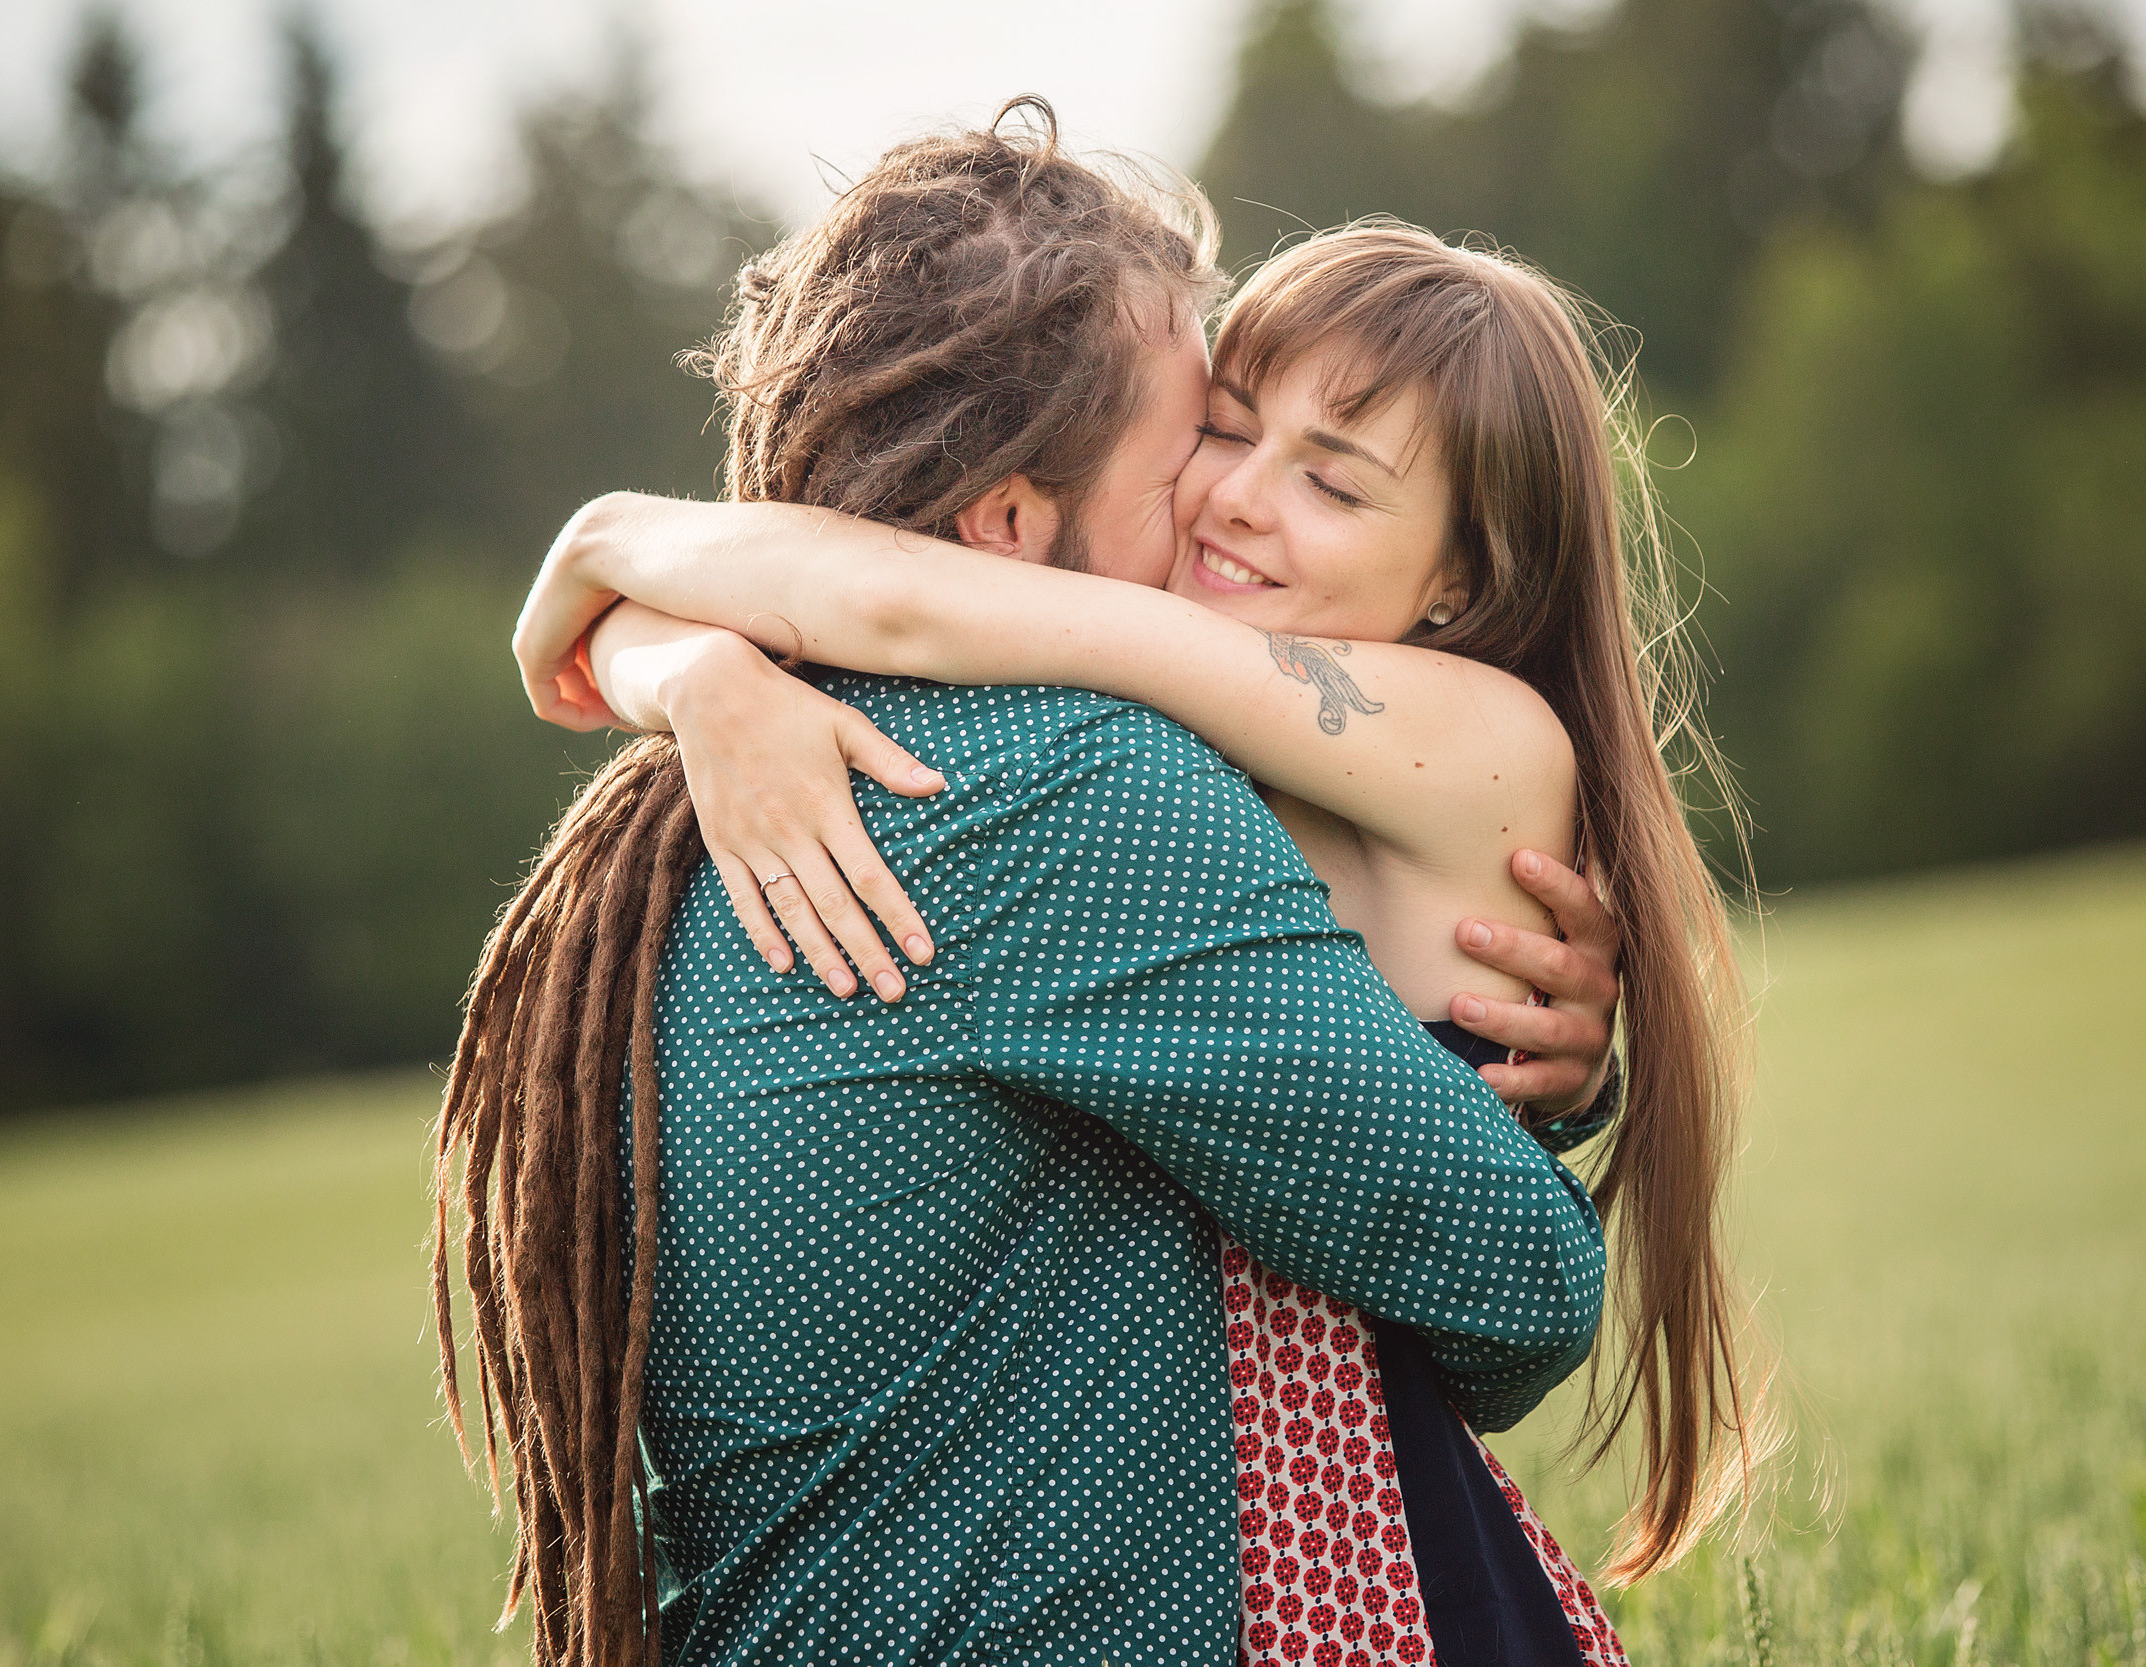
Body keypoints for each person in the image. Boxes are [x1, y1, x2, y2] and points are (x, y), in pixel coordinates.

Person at [435, 103, 1627, 1667]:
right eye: (1201, 433)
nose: (1225, 501)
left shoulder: (680, 826)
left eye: (1317, 474)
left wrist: (663, 630)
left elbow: (898, 605)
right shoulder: (1072, 790)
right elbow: (1514, 1291)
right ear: (1007, 524)